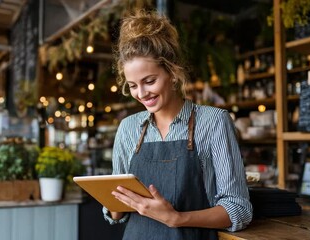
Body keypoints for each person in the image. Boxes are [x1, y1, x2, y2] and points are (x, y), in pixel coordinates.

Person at [102, 10, 253, 239]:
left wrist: (177, 218)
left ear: (172, 72)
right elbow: (117, 213)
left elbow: (239, 209)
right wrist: (112, 202)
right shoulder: (128, 128)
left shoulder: (213, 122)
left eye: (149, 81)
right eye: (133, 86)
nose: (142, 94)